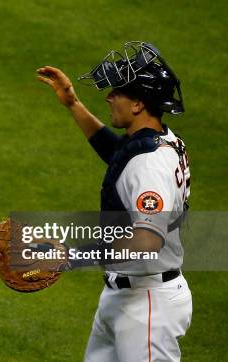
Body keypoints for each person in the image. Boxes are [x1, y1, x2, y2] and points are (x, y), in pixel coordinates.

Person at [37, 41, 193, 361]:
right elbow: (120, 157)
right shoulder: (161, 139)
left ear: (137, 105)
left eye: (117, 92)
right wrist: (73, 104)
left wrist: (72, 257)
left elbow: (147, 240)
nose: (109, 97)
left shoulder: (150, 164)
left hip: (147, 306)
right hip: (123, 296)